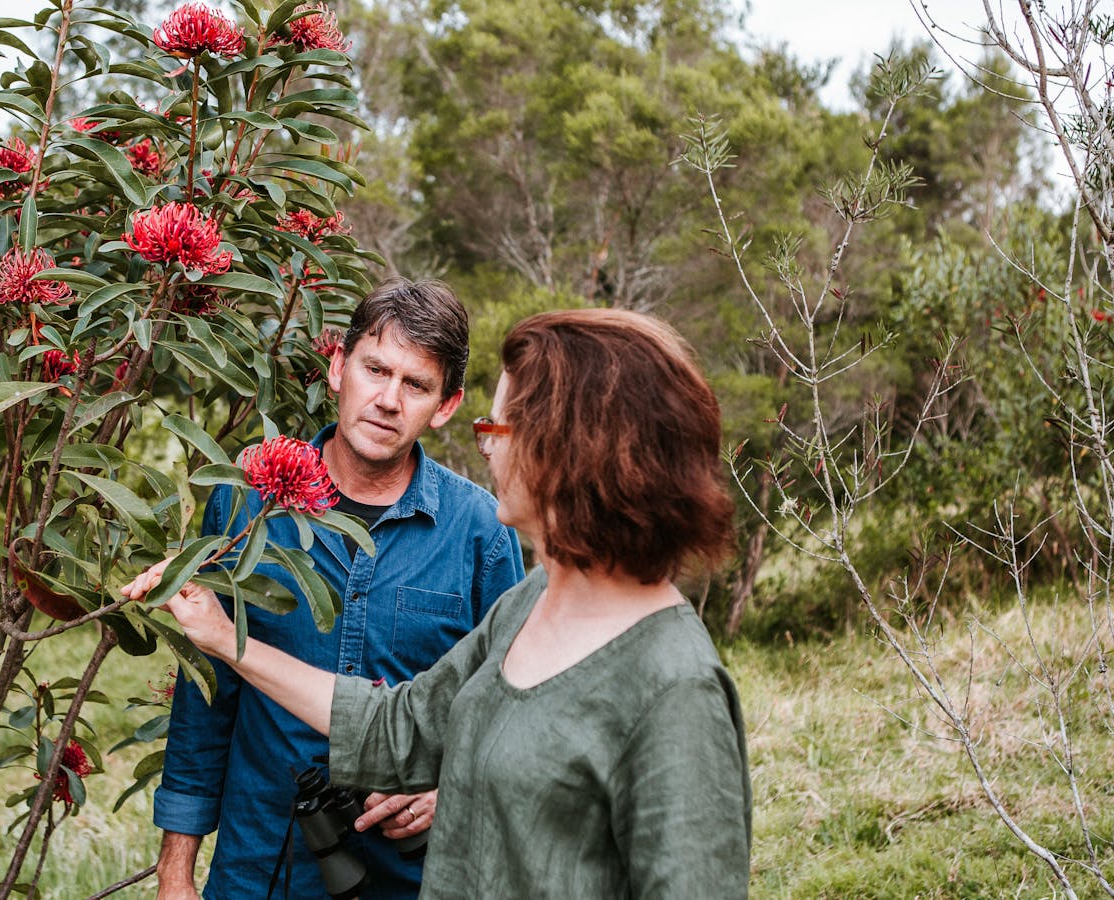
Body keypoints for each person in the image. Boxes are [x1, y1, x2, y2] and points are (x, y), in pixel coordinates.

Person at [128, 308, 751, 898]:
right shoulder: (535, 601)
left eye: (499, 428)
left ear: (575, 452)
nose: (488, 449)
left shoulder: (676, 689)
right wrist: (219, 636)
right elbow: (395, 726)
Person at [151, 280, 526, 899]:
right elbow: (206, 692)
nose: (387, 400)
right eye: (375, 369)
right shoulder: (248, 496)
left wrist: (447, 787)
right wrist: (175, 871)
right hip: (260, 866)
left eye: (416, 385)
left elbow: (508, 710)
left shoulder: (480, 531)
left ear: (447, 405)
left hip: (410, 877)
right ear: (337, 367)